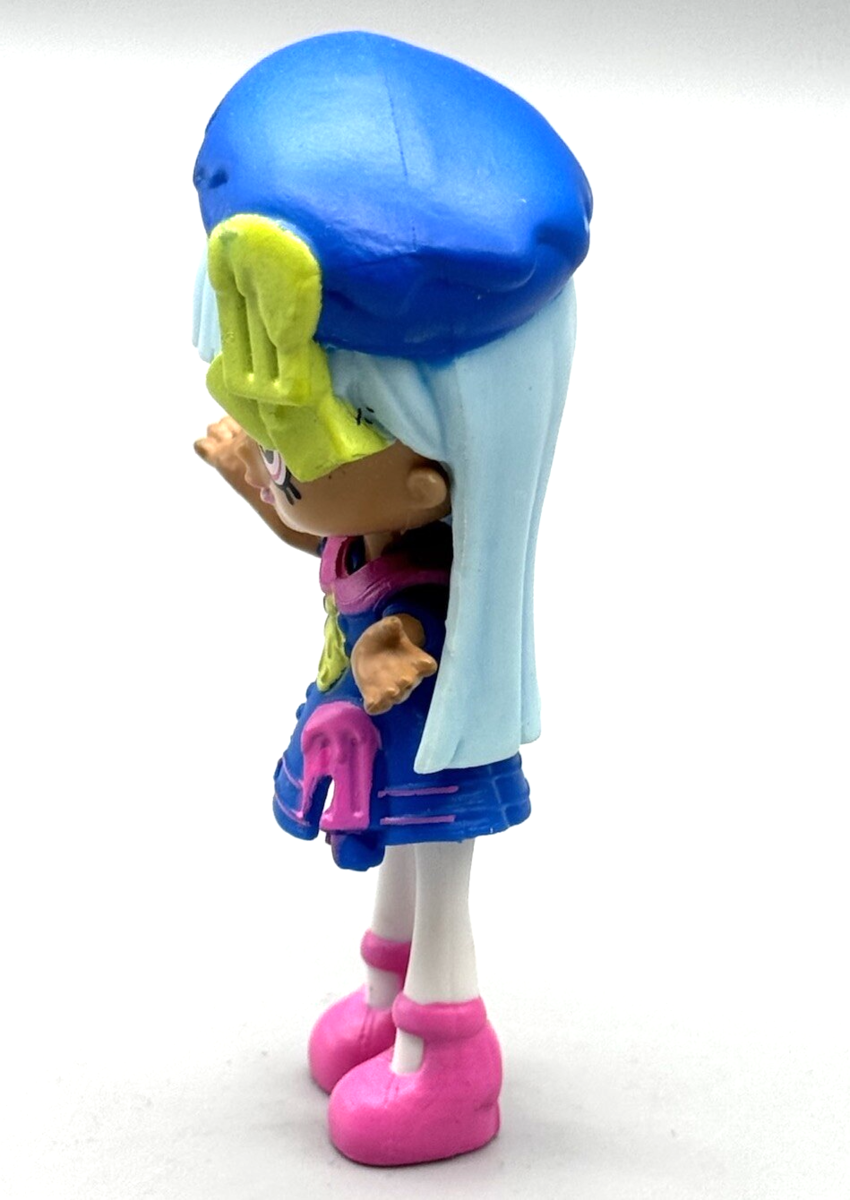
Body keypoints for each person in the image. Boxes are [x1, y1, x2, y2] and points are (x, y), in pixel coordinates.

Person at [192, 31, 591, 1166]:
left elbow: (402, 616)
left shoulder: (426, 561)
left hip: (419, 735)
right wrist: (256, 487)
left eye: (295, 451)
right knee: (403, 881)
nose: (280, 467)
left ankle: (450, 1054)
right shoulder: (377, 517)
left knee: (438, 873)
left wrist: (388, 655)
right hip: (376, 730)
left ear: (429, 471)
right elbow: (317, 537)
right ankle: (385, 1003)